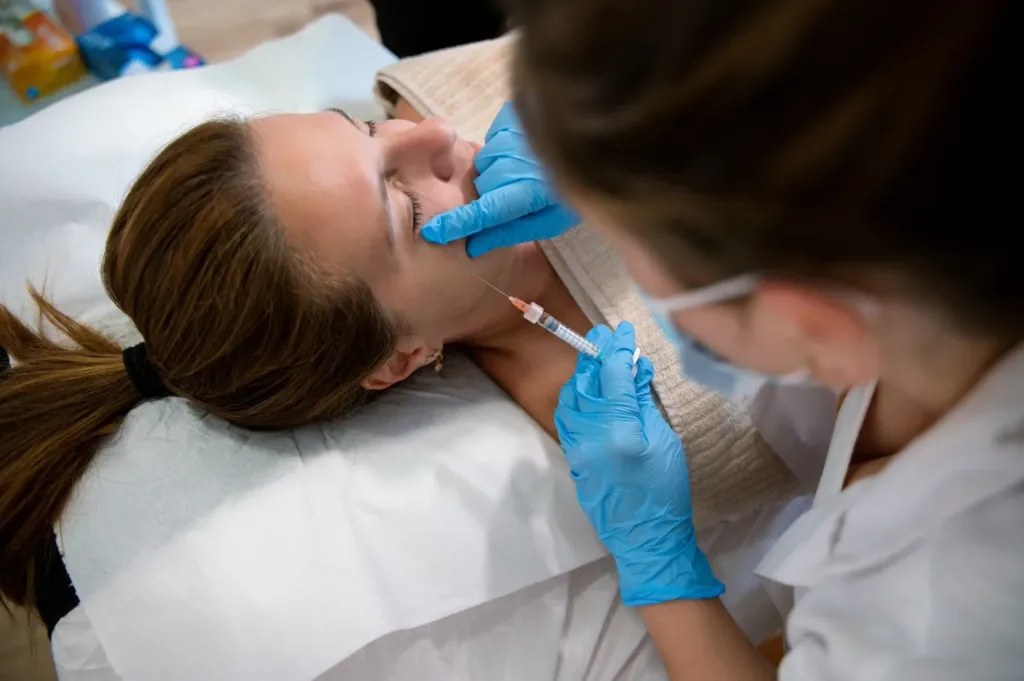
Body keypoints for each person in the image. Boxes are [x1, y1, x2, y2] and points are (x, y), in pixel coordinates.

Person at [1, 103, 791, 676]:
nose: (436, 135)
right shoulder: (642, 420)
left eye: (364, 124)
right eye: (406, 207)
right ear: (397, 359)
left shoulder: (449, 105)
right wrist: (661, 567)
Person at [421, 0, 1020, 678]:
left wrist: (662, 571)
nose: (433, 132)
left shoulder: (951, 609)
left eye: (627, 241)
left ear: (812, 320)